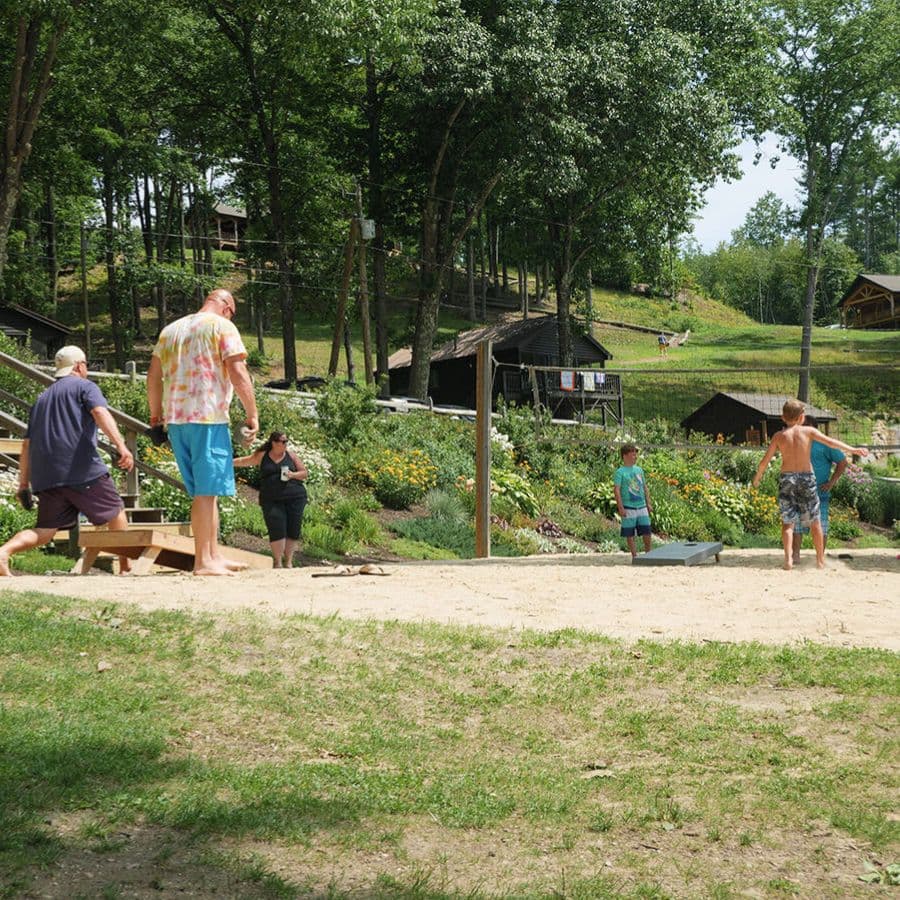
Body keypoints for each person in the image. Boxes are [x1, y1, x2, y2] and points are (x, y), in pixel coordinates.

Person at [147, 288, 259, 576]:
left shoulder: (170, 330)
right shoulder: (222, 326)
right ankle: (203, 561)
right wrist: (252, 414)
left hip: (176, 420)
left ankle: (213, 555)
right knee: (206, 492)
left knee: (205, 493)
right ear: (227, 307)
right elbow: (237, 370)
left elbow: (153, 376)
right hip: (207, 416)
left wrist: (155, 417)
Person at [0, 346, 134, 576]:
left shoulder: (41, 399)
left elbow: (26, 445)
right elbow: (101, 412)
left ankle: (4, 551)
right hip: (81, 470)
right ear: (80, 366)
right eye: (86, 365)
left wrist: (24, 484)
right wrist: (121, 446)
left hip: (47, 476)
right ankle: (126, 567)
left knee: (45, 530)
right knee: (115, 512)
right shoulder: (85, 386)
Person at [752, 399, 866, 570]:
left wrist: (757, 478)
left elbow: (764, 461)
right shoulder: (809, 431)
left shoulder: (779, 436)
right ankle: (820, 561)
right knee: (815, 522)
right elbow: (831, 442)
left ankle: (788, 560)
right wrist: (852, 449)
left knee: (788, 523)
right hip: (806, 478)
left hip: (787, 479)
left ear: (783, 417)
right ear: (802, 417)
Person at [233, 431, 309, 568]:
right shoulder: (263, 455)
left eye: (287, 441)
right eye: (283, 441)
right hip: (271, 498)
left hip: (295, 497)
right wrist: (228, 463)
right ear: (274, 443)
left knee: (293, 529)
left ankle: (289, 562)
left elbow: (304, 473)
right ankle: (278, 561)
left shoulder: (291, 455)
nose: (286, 444)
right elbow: (246, 461)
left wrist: (292, 475)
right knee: (276, 527)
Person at [791, 414, 848, 564]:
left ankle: (819, 559)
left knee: (821, 525)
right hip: (800, 491)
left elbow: (842, 462)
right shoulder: (797, 441)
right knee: (797, 525)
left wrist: (832, 482)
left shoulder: (825, 444)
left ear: (811, 427)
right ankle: (795, 556)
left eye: (802, 424)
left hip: (819, 492)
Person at [614, 443, 653, 559]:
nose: (635, 457)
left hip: (642, 506)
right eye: (632, 454)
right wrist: (620, 507)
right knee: (630, 533)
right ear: (625, 456)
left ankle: (648, 554)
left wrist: (648, 503)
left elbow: (645, 487)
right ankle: (634, 556)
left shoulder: (639, 470)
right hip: (628, 507)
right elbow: (616, 490)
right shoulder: (620, 472)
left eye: (636, 454)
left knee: (647, 531)